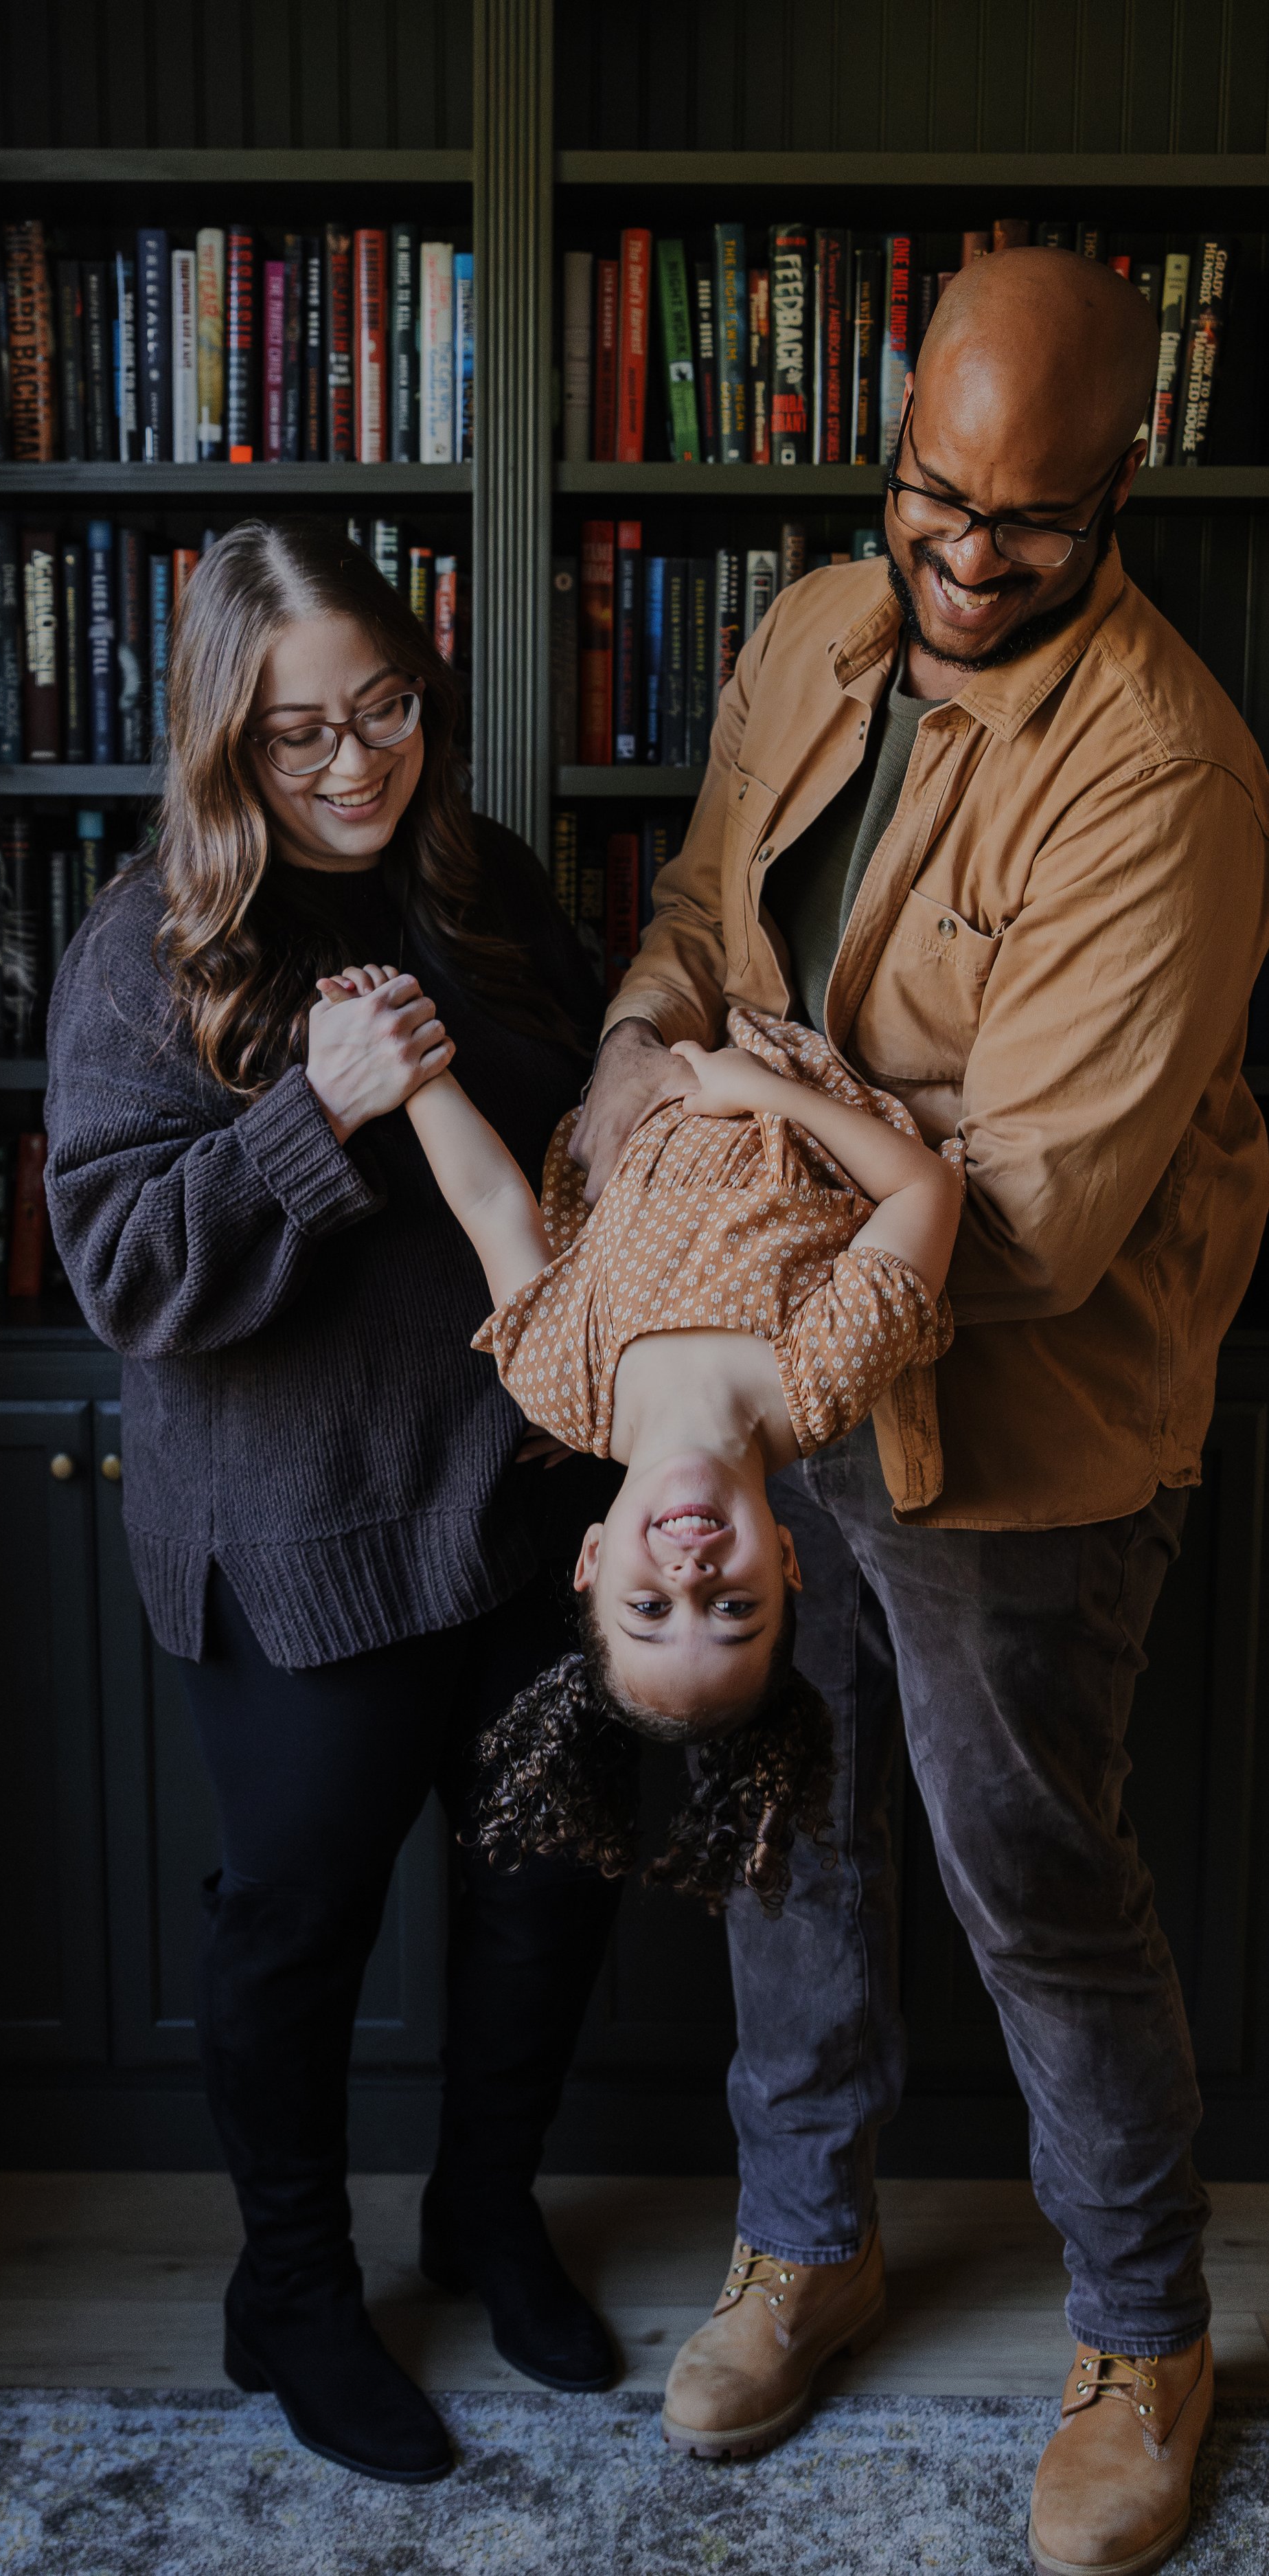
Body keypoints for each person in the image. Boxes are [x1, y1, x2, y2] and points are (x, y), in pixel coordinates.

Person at [569, 247, 1269, 2576]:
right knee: (785, 1825)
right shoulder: (809, 629)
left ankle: (1146, 2330)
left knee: (1037, 1881)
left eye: (1028, 529)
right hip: (792, 1379)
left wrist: (727, 1130)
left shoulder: (1167, 771)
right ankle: (806, 2241)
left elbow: (1044, 1224)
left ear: (1121, 492)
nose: (966, 564)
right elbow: (698, 910)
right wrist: (628, 1058)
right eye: (931, 503)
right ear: (890, 449)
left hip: (1028, 1417)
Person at [43, 518, 628, 2490]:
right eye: (299, 734)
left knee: (544, 1886)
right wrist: (314, 1114)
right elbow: (125, 1268)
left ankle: (483, 2209)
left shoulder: (485, 881)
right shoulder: (152, 945)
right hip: (298, 1533)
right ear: (227, 742)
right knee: (292, 1923)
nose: (356, 764)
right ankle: (289, 2287)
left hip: (527, 1501)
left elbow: (582, 1145)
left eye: (382, 709)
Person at [314, 973, 961, 1910]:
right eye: (734, 1605)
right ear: (787, 1560)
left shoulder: (559, 1381)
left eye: (648, 1607)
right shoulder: (825, 1374)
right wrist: (760, 1091)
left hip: (670, 1034)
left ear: (591, 1558)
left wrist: (406, 1062)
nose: (690, 1574)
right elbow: (926, 1186)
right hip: (834, 1026)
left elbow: (495, 1203)